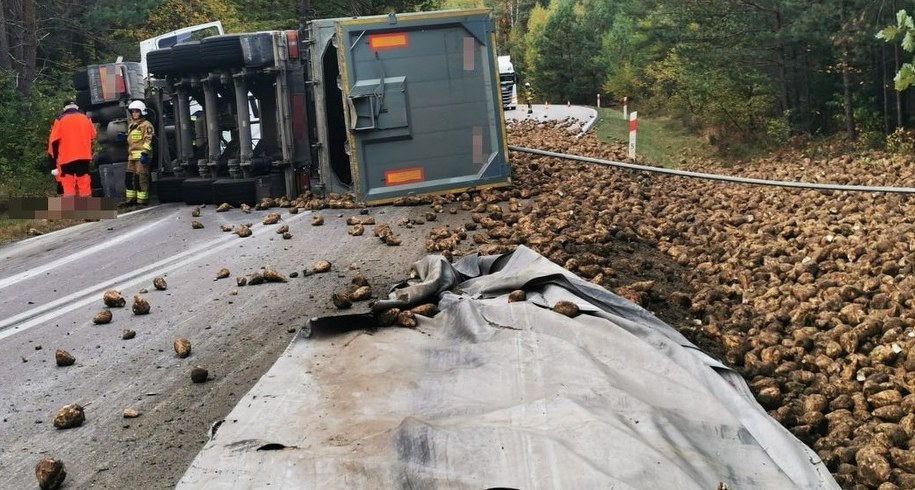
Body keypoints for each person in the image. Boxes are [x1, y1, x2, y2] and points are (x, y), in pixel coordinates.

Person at [47, 101, 97, 197]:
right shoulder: (86, 118)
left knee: (68, 184)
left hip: (66, 158)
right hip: (84, 156)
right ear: (76, 107)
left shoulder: (60, 120)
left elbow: (53, 142)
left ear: (64, 108)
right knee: (84, 182)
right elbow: (93, 135)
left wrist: (53, 163)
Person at [121, 100, 155, 207]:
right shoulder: (132, 125)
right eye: (133, 111)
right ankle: (131, 199)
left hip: (142, 157)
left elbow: (149, 140)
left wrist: (145, 153)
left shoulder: (146, 125)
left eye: (137, 111)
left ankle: (142, 200)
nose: (134, 113)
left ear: (142, 112)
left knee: (141, 178)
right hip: (132, 157)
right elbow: (133, 140)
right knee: (129, 178)